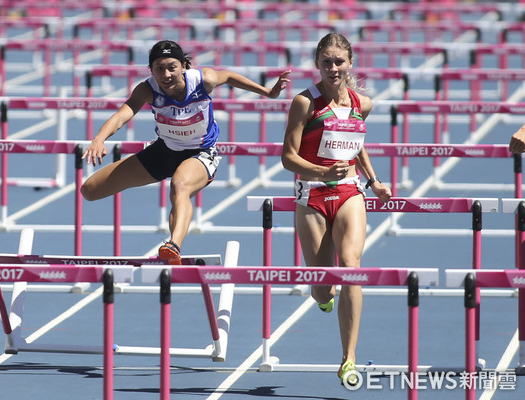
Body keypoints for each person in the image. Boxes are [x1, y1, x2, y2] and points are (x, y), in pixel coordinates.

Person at [81, 39, 291, 264]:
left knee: (179, 186)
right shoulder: (147, 89)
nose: (166, 74)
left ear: (184, 66)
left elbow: (228, 76)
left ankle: (173, 246)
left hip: (200, 154)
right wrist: (99, 139)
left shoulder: (203, 80)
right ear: (151, 70)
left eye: (172, 67)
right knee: (90, 190)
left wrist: (267, 92)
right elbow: (122, 115)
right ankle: (173, 248)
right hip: (164, 151)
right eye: (159, 69)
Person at [280, 33, 392, 386]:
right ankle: (323, 298)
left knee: (352, 268)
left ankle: (349, 358)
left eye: (339, 61)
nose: (333, 68)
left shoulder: (363, 103)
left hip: (349, 192)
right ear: (317, 64)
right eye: (326, 61)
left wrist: (373, 180)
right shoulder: (304, 103)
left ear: (350, 64)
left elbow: (356, 145)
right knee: (323, 288)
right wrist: (322, 172)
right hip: (311, 194)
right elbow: (288, 157)